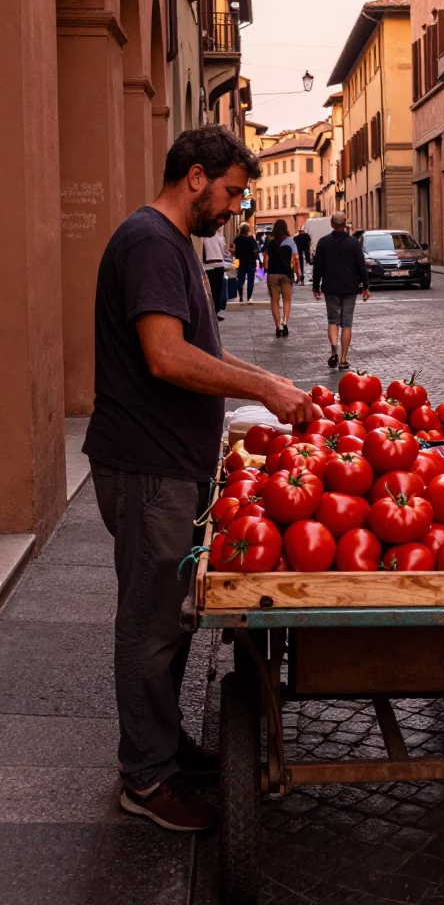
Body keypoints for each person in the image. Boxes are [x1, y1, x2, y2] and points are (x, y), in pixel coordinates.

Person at [83, 126, 313, 834]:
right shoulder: (152, 242)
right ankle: (146, 780)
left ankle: (162, 747)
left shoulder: (167, 242)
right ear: (194, 177)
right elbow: (165, 356)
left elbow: (192, 347)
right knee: (150, 628)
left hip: (166, 465)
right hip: (149, 469)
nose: (236, 208)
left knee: (170, 622)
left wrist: (260, 379)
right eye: (233, 192)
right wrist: (264, 387)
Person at [312, 211, 370, 369]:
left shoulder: (323, 243)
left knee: (332, 320)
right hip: (350, 288)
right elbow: (361, 266)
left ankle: (334, 349)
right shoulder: (354, 243)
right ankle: (343, 359)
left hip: (330, 287)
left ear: (332, 223)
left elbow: (318, 267)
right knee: (346, 323)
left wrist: (316, 286)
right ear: (345, 223)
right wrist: (365, 286)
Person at [264, 218, 300, 338]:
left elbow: (266, 257)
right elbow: (296, 259)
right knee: (287, 300)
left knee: (274, 300)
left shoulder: (270, 242)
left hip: (273, 273)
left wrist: (265, 268)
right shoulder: (290, 241)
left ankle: (277, 326)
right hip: (286, 274)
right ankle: (284, 322)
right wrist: (298, 273)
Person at [233, 221, 259, 303]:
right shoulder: (251, 239)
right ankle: (249, 297)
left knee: (240, 279)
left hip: (240, 261)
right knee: (251, 280)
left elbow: (234, 250)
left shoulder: (237, 239)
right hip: (251, 262)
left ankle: (240, 296)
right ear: (248, 230)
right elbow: (256, 250)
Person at [201, 230, 226, 318]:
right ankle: (216, 311)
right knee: (217, 290)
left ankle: (210, 311)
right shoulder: (219, 237)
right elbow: (223, 251)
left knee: (209, 290)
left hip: (207, 265)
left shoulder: (203, 238)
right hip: (219, 264)